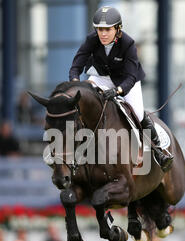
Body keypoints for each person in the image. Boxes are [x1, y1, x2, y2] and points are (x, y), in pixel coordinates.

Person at [69, 6, 173, 172]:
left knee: (138, 113)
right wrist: (74, 83)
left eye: (107, 30)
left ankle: (159, 151)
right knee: (82, 102)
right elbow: (76, 65)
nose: (102, 34)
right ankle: (76, 150)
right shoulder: (91, 40)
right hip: (101, 77)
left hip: (126, 80)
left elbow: (131, 77)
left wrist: (117, 91)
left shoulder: (128, 43)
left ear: (117, 29)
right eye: (99, 29)